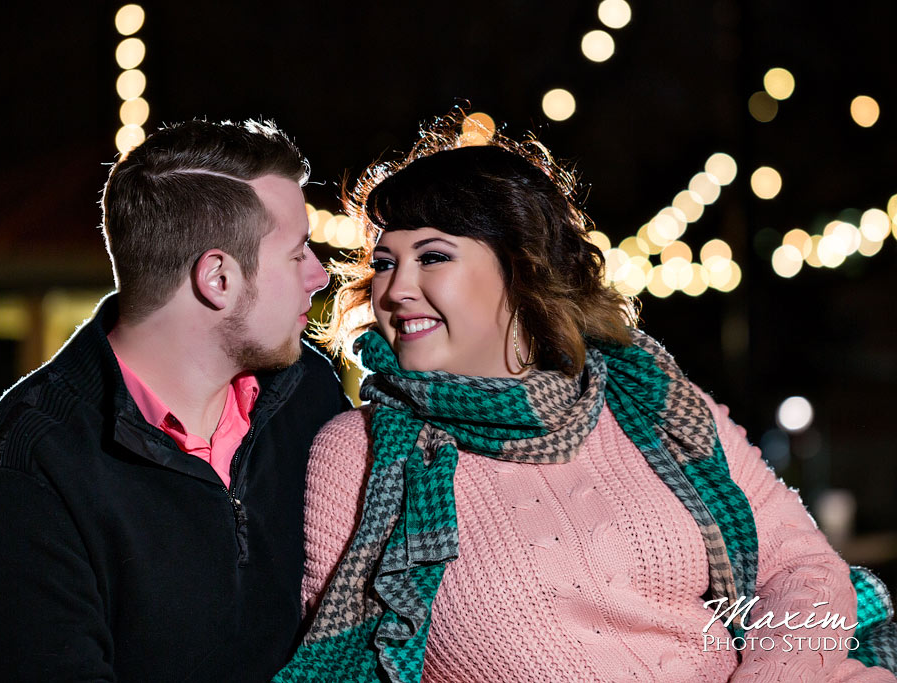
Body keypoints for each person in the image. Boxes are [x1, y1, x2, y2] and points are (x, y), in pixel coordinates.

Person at [275, 112, 897, 682]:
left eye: (432, 256)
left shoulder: (648, 400)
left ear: (521, 271)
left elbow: (800, 569)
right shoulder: (360, 455)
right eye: (385, 262)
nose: (396, 288)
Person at [0, 119, 350, 682]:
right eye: (297, 253)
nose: (320, 273)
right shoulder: (29, 463)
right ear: (218, 277)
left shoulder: (308, 393)